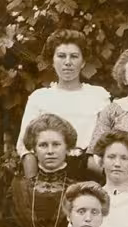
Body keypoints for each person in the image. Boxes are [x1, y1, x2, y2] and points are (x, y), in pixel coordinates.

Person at [15, 29, 111, 158]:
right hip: (48, 166)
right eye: (61, 56)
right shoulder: (39, 98)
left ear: (83, 62)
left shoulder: (98, 96)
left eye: (74, 56)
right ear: (52, 61)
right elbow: (25, 148)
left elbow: (108, 144)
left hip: (90, 166)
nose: (67, 62)